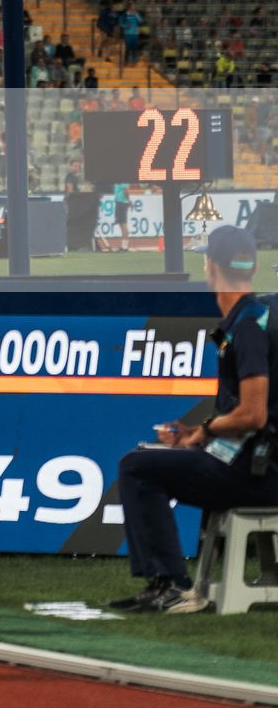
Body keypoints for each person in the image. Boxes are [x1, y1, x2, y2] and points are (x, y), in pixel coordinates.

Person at [112, 226, 278, 613]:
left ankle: (169, 585)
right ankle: (170, 582)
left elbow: (253, 414)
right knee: (154, 459)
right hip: (257, 463)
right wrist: (198, 435)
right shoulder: (255, 316)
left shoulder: (248, 327)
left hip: (259, 473)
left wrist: (204, 431)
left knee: (136, 466)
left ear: (212, 266)